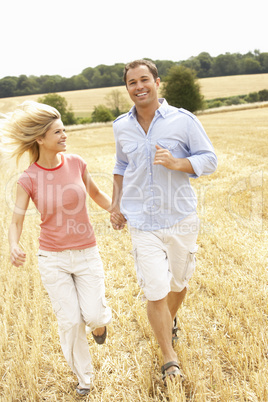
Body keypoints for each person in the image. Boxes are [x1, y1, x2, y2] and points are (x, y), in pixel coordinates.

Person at [110, 59, 217, 383]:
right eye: (132, 82)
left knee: (178, 284)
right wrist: (116, 204)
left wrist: (177, 162)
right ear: (127, 88)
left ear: (157, 82)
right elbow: (120, 165)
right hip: (142, 220)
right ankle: (169, 358)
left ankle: (167, 321)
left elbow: (209, 159)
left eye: (145, 80)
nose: (139, 87)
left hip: (180, 217)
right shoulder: (121, 125)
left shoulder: (182, 121)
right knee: (154, 290)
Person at [2, 101, 118, 396]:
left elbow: (96, 194)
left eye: (64, 129)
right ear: (40, 138)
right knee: (70, 321)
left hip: (86, 253)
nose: (65, 135)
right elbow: (16, 221)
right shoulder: (28, 179)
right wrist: (13, 246)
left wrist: (116, 210)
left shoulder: (77, 163)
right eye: (58, 131)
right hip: (52, 259)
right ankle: (85, 378)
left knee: (92, 316)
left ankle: (100, 323)